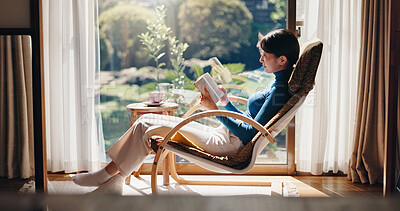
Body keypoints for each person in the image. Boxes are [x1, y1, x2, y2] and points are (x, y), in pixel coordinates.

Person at [72, 29, 300, 194]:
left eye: (265, 56)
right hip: (226, 135)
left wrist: (215, 110)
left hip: (229, 145)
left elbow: (249, 134)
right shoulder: (278, 83)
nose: (260, 60)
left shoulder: (279, 90)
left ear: (282, 59)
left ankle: (107, 176)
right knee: (148, 120)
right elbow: (251, 122)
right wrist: (225, 102)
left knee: (145, 125)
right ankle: (114, 180)